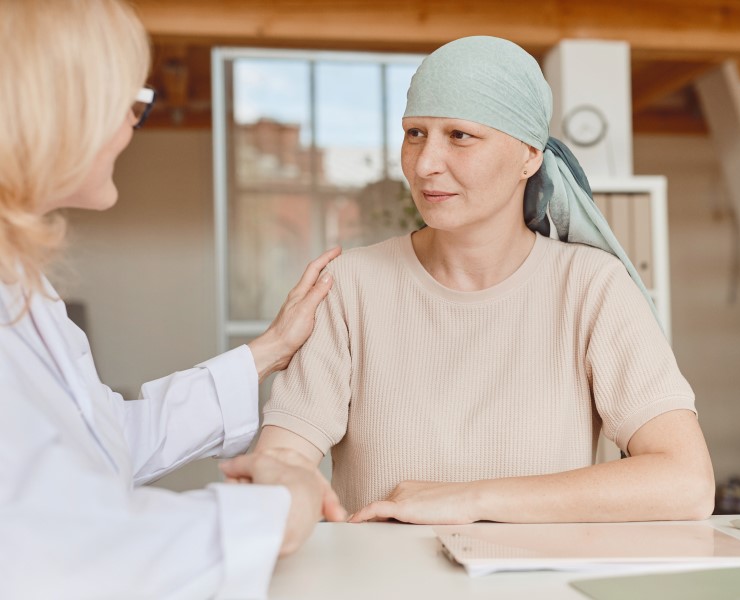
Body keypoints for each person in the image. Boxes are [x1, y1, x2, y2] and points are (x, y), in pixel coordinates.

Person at [255, 36, 715, 524]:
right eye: (415, 133)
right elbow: (284, 455)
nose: (426, 163)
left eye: (459, 135)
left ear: (529, 156)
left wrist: (472, 499)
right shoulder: (348, 286)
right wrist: (283, 485)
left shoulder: (591, 287)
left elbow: (686, 483)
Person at [0, 1, 344, 598]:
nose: (135, 120)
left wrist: (268, 351)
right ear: (58, 107)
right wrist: (280, 510)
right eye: (128, 98)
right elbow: (51, 553)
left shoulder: (22, 286)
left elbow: (104, 444)